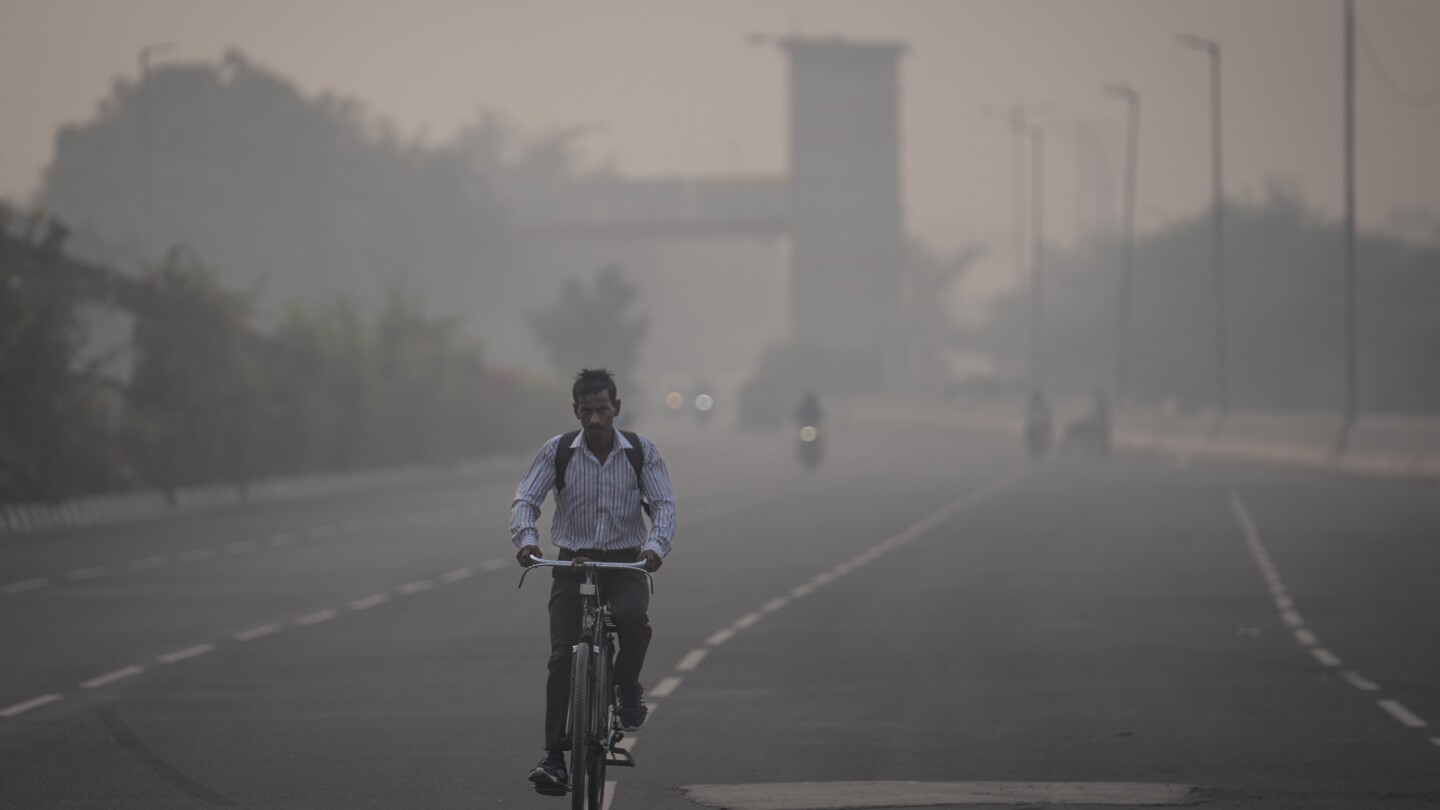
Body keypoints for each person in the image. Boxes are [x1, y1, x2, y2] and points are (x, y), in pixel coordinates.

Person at [511, 368, 678, 792]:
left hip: (626, 564)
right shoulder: (558, 451)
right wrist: (527, 541)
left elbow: (664, 505)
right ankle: (553, 757)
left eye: (603, 409)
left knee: (633, 621)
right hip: (573, 565)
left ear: (616, 408)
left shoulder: (641, 452)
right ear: (576, 411)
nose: (596, 420)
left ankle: (626, 687)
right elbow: (526, 499)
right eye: (587, 411)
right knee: (562, 658)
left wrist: (655, 547)